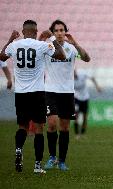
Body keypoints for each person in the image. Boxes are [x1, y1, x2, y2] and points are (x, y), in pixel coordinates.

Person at [0, 20, 65, 173]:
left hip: (21, 93)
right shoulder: (41, 45)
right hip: (37, 92)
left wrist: (10, 39)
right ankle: (37, 166)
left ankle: (18, 149)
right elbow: (61, 55)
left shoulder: (14, 45)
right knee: (38, 129)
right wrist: (52, 38)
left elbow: (1, 57)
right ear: (36, 32)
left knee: (22, 126)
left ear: (23, 32)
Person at [44, 20, 90, 171]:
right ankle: (52, 157)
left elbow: (86, 58)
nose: (59, 33)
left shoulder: (71, 48)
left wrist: (75, 43)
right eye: (56, 30)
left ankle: (62, 161)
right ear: (53, 32)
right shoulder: (48, 47)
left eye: (62, 30)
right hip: (50, 91)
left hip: (67, 92)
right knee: (51, 124)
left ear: (65, 32)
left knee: (64, 127)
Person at [73, 69, 102, 139]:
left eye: (74, 71)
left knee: (85, 117)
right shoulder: (69, 80)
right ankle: (77, 134)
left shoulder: (82, 73)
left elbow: (92, 78)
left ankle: (83, 133)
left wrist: (97, 86)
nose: (73, 73)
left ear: (75, 71)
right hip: (76, 98)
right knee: (76, 116)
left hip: (85, 98)